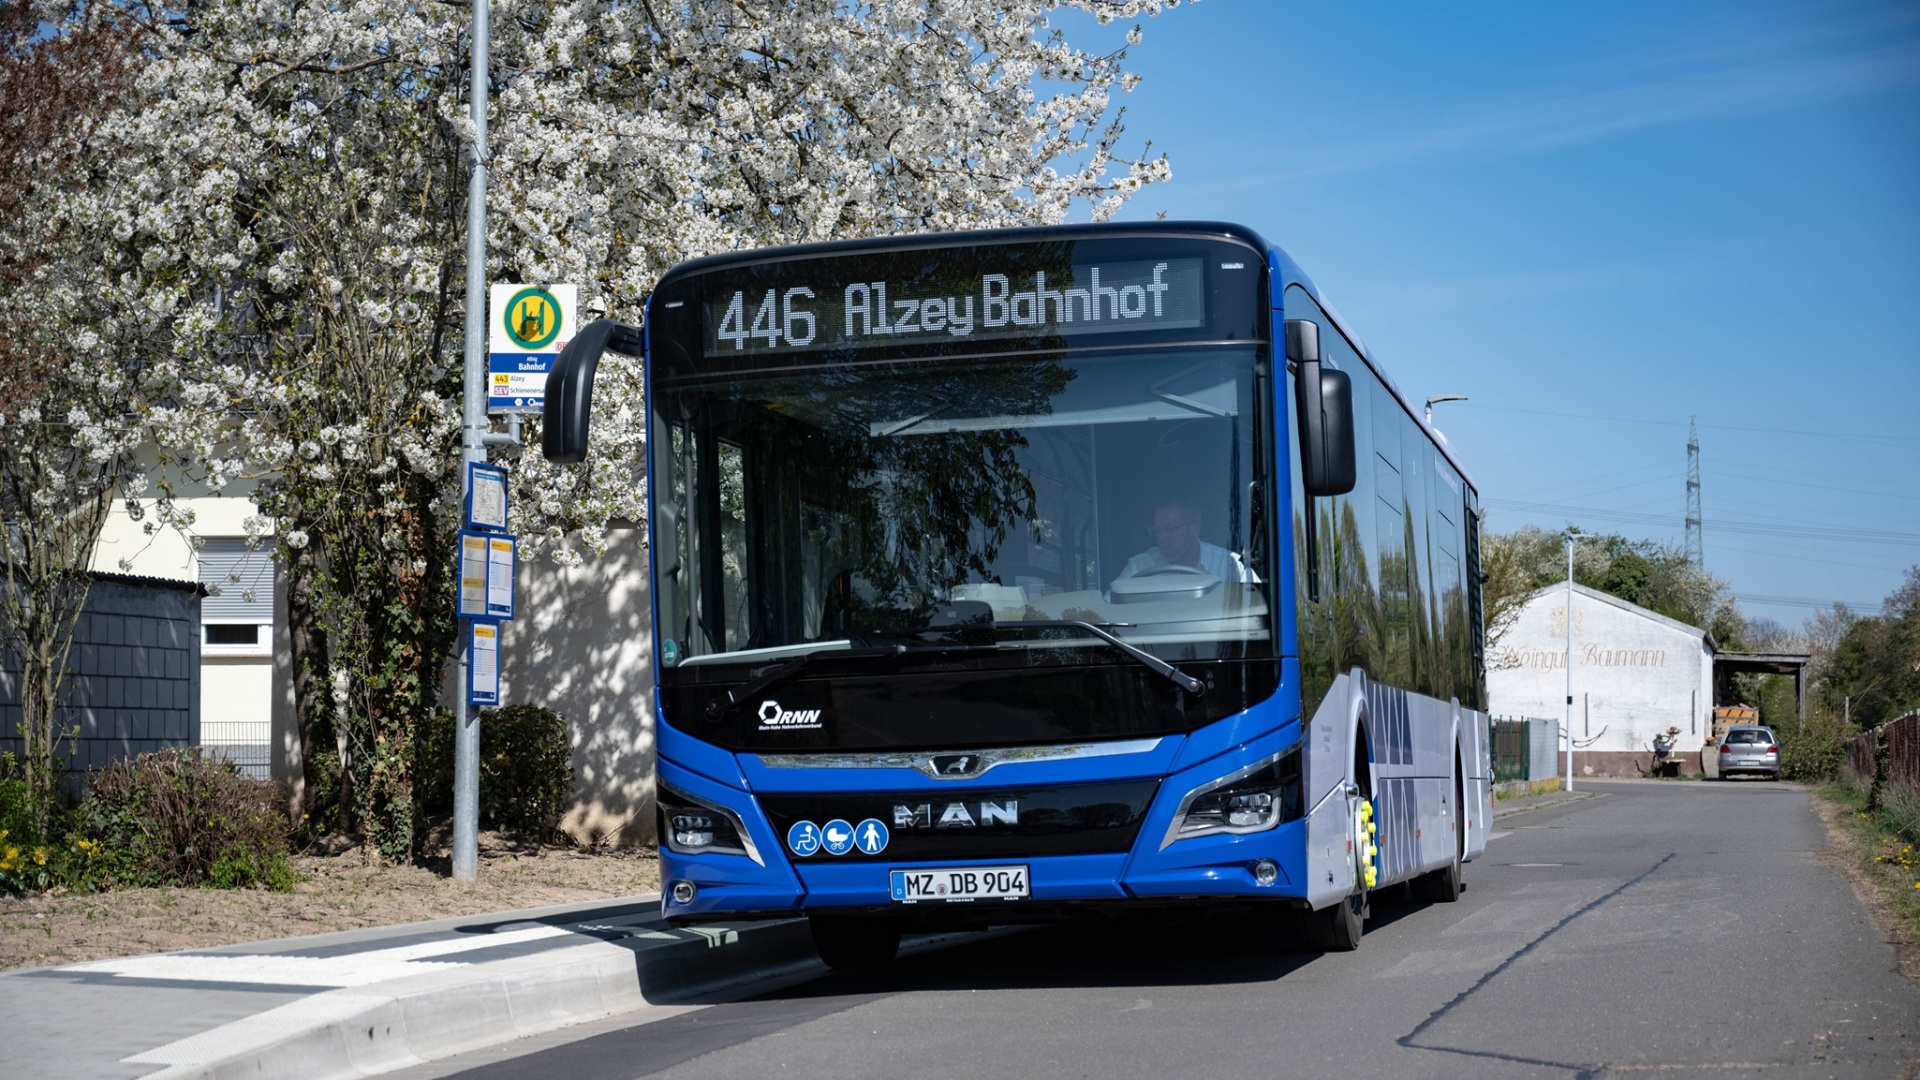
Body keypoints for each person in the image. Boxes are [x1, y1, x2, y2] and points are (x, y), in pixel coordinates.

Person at [1113, 501, 1256, 586]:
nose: (1161, 539)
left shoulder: (1229, 565)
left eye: (1170, 530)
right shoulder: (1139, 567)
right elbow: (1108, 609)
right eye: (1157, 531)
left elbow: (1258, 607)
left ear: (1194, 529)